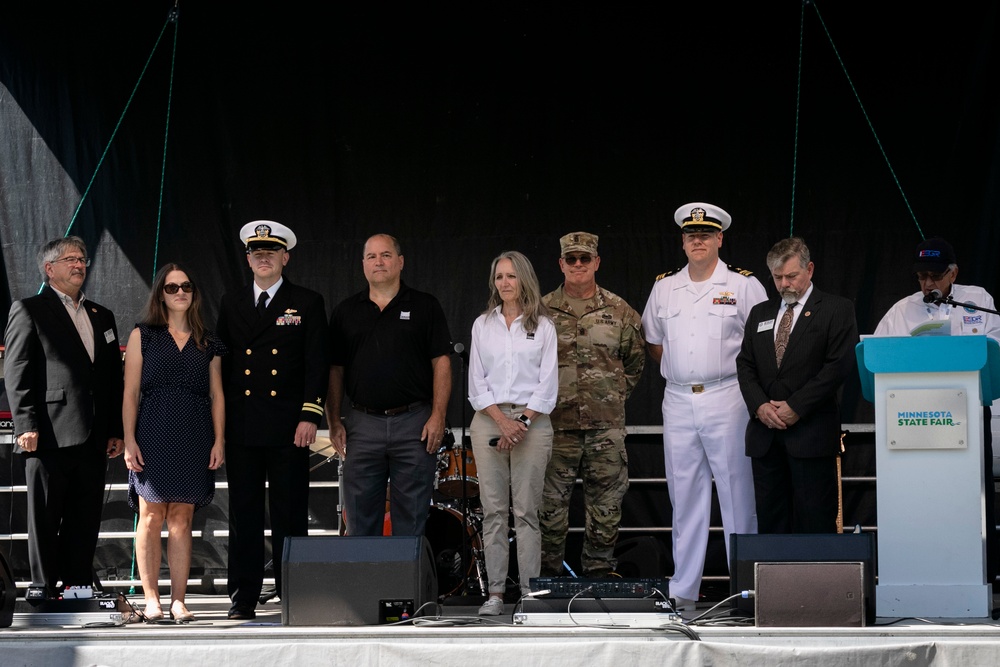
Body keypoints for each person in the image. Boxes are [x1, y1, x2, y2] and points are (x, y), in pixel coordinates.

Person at [641, 203, 766, 611]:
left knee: (737, 495)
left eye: (706, 234)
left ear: (719, 239)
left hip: (727, 395)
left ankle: (745, 589)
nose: (698, 241)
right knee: (685, 496)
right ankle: (684, 592)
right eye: (691, 235)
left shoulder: (744, 285)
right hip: (677, 398)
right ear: (682, 240)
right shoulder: (664, 287)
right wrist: (685, 372)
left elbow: (761, 345)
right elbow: (655, 342)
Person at [216, 221, 328, 620]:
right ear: (247, 259)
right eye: (255, 252)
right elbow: (221, 363)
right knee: (243, 513)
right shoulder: (231, 302)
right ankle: (243, 596)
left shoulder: (308, 302)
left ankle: (293, 591)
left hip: (289, 427)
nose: (263, 258)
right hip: (243, 426)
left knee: (290, 513)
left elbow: (317, 364)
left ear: (286, 257)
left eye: (271, 251)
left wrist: (310, 415)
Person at [3, 236, 124, 600]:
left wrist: (115, 429)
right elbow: (16, 370)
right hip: (48, 433)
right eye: (70, 259)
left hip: (93, 434)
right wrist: (26, 425)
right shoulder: (29, 309)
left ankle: (77, 586)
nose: (79, 265)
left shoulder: (102, 314)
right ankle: (43, 586)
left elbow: (110, 378)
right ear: (49, 268)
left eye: (83, 259)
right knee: (44, 514)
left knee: (84, 516)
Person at [873, 236, 999, 581]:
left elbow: (994, 350)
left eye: (935, 275)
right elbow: (875, 357)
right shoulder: (902, 310)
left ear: (953, 273)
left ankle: (978, 578)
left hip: (968, 417)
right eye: (921, 276)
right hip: (913, 421)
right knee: (922, 501)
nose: (928, 283)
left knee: (973, 502)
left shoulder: (979, 300)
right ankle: (915, 576)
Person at [327, 234, 452, 538]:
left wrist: (437, 416)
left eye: (385, 255)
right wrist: (332, 421)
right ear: (363, 265)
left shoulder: (425, 306)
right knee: (359, 518)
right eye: (371, 257)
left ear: (400, 262)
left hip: (414, 424)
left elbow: (442, 364)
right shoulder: (346, 311)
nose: (378, 262)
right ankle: (365, 586)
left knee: (411, 520)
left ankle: (406, 587)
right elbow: (335, 371)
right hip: (362, 424)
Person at [122, 264, 226, 622]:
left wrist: (219, 440)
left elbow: (217, 394)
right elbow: (131, 392)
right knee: (150, 515)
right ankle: (152, 599)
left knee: (182, 517)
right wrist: (129, 440)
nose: (180, 292)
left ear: (194, 292)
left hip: (195, 433)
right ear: (160, 295)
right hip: (151, 430)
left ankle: (179, 600)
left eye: (186, 285)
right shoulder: (143, 335)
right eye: (171, 287)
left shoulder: (208, 341)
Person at [539, 232, 645, 577]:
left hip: (605, 427)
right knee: (550, 507)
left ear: (597, 262)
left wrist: (608, 396)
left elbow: (635, 363)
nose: (579, 265)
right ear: (561, 264)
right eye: (572, 259)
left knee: (606, 505)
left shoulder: (620, 310)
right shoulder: (540, 311)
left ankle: (598, 572)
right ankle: (548, 577)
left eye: (585, 258)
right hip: (554, 427)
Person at [736, 236, 858, 535]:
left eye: (792, 276)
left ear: (810, 269)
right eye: (778, 278)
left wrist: (796, 407)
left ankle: (817, 583)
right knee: (771, 521)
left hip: (812, 435)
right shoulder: (760, 313)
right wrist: (760, 405)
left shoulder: (836, 308)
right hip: (766, 437)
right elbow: (745, 364)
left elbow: (837, 367)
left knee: (815, 520)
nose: (784, 284)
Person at [469, 251, 558, 615]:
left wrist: (520, 422)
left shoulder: (544, 325)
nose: (504, 283)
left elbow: (548, 382)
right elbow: (476, 380)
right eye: (499, 277)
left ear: (524, 279)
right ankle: (495, 594)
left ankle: (529, 595)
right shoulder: (482, 324)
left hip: (532, 422)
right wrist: (502, 421)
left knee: (525, 511)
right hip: (488, 419)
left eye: (511, 276)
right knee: (493, 510)